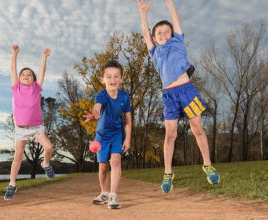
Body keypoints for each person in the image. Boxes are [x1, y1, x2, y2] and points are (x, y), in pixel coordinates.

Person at [135, 0, 220, 193]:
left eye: (167, 31)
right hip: (170, 96)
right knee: (170, 135)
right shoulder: (155, 52)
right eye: (159, 33)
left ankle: (208, 165)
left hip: (186, 91)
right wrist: (143, 13)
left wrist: (170, 2)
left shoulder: (177, 42)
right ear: (155, 38)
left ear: (172, 34)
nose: (163, 34)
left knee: (197, 128)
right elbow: (145, 33)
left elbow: (175, 19)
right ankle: (168, 172)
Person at [4, 45, 55, 200]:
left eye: (29, 75)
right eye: (23, 74)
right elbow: (13, 70)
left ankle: (45, 164)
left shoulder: (36, 88)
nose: (26, 76)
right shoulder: (16, 87)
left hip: (36, 127)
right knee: (18, 156)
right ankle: (12, 185)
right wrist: (14, 54)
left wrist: (44, 58)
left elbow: (42, 72)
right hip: (20, 129)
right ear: (19, 78)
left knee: (49, 147)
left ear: (33, 79)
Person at [83, 60, 132, 209]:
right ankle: (104, 192)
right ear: (102, 80)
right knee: (103, 167)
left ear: (122, 78)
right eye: (109, 77)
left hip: (117, 134)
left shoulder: (124, 97)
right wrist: (94, 114)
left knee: (116, 160)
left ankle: (113, 195)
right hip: (101, 136)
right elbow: (97, 108)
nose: (113, 80)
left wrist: (128, 138)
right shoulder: (101, 95)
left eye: (116, 76)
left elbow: (128, 121)